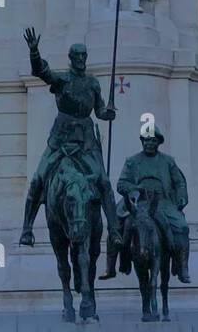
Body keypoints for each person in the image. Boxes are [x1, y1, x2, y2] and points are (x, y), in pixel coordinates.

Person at [18, 28, 121, 276]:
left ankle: (115, 230)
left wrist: (109, 112)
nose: (81, 60)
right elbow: (41, 72)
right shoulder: (62, 80)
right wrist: (34, 52)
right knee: (38, 179)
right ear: (70, 58)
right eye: (77, 56)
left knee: (105, 182)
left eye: (83, 56)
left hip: (86, 140)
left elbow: (99, 113)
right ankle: (27, 228)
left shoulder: (93, 84)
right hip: (61, 139)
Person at [116, 123, 190, 282]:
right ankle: (122, 261)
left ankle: (182, 266)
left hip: (162, 202)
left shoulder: (168, 161)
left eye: (153, 141)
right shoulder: (132, 161)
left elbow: (179, 183)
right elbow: (121, 184)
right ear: (142, 141)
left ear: (159, 142)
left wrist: (181, 197)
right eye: (147, 140)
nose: (150, 143)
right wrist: (135, 188)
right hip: (139, 202)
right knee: (118, 226)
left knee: (182, 227)